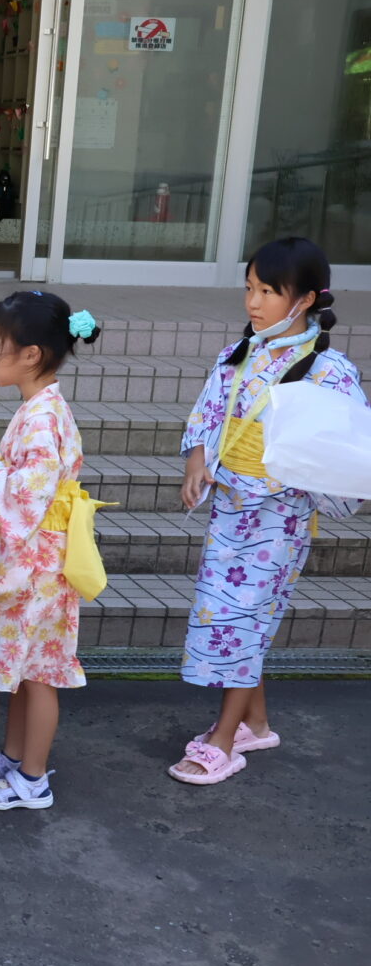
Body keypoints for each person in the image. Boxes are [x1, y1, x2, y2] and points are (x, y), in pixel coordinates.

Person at [171, 237, 367, 785]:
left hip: (279, 519)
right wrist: (196, 463)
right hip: (231, 509)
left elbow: (345, 450)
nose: (253, 303)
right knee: (232, 615)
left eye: (268, 292)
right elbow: (205, 419)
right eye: (250, 289)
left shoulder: (329, 371)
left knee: (246, 618)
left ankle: (225, 739)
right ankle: (255, 722)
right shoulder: (238, 355)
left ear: (304, 300)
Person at [0, 291, 96, 810]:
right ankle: (13, 760)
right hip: (39, 559)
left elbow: (25, 501)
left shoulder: (42, 417)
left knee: (38, 673)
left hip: (41, 566)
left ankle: (33, 778)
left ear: (31, 354)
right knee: (25, 669)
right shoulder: (42, 408)